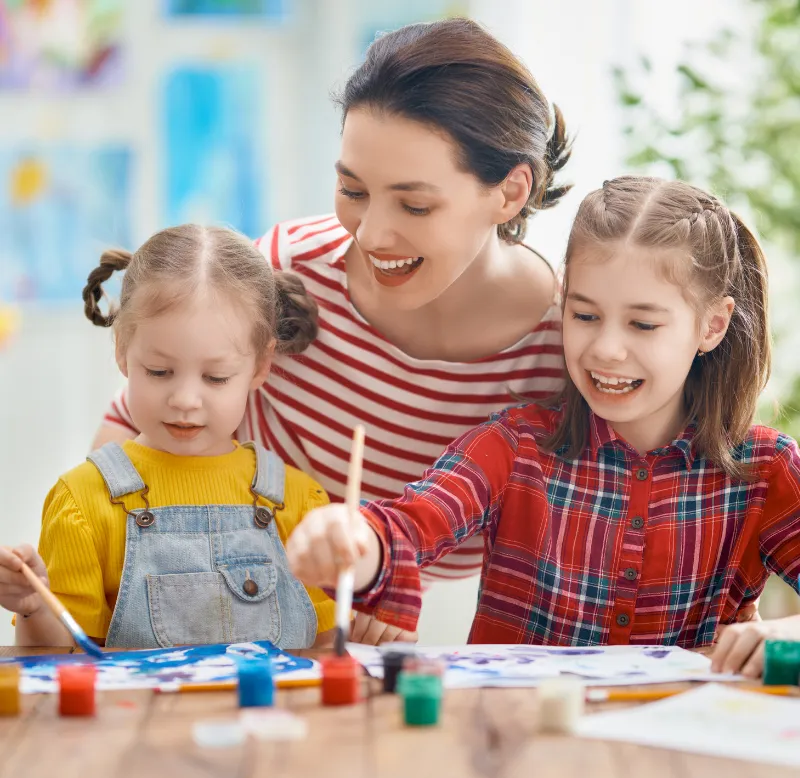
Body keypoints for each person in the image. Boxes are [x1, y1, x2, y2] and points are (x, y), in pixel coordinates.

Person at [88, 18, 570, 643]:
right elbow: (138, 418)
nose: (369, 235)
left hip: (426, 645)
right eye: (352, 189)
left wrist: (381, 579)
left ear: (510, 192)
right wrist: (100, 560)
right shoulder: (293, 266)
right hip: (210, 606)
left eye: (415, 205)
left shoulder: (562, 351)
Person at [285, 176, 798, 678]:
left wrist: (785, 633)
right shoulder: (514, 445)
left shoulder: (767, 469)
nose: (605, 349)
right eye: (584, 315)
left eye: (643, 324)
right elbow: (412, 523)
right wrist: (356, 540)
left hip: (681, 753)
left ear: (712, 325)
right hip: (515, 744)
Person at [0, 224, 336, 649]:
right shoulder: (82, 502)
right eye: (159, 372)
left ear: (260, 367)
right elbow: (55, 662)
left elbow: (326, 652)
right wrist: (34, 605)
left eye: (215, 378)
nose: (185, 400)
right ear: (122, 348)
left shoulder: (300, 502)